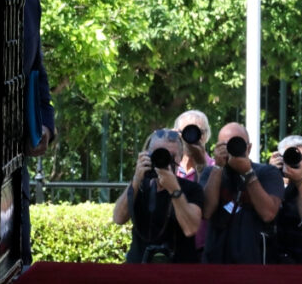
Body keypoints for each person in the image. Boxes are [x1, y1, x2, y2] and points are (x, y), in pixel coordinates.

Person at [112, 129, 205, 263]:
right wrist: (136, 178)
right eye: (158, 154)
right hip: (139, 267)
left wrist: (174, 190)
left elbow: (190, 229)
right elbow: (118, 218)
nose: (163, 160)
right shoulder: (140, 187)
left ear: (180, 158)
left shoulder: (191, 189)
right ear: (147, 155)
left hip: (178, 269)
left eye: (171, 155)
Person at [200, 122, 284, 264]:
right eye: (225, 145)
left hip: (253, 261)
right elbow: (207, 211)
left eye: (237, 143)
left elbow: (268, 214)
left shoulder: (267, 173)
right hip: (215, 260)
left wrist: (248, 173)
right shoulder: (211, 173)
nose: (232, 149)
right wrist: (217, 167)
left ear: (249, 147)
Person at [20, 0, 55, 269]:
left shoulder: (29, 2)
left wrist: (45, 124)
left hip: (13, 159)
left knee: (18, 258)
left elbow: (37, 71)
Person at [268, 135, 302, 264]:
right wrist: (270, 172)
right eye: (292, 155)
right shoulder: (267, 181)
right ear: (280, 158)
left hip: (299, 259)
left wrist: (299, 183)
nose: (298, 160)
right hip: (268, 256)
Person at [172, 109, 215, 260]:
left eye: (198, 132)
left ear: (206, 136)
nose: (192, 137)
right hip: (173, 249)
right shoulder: (169, 167)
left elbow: (209, 206)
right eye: (186, 132)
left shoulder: (215, 168)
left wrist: (202, 166)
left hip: (203, 250)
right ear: (177, 134)